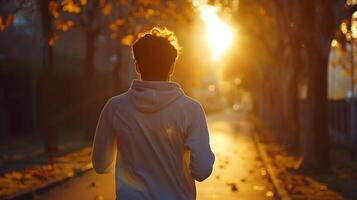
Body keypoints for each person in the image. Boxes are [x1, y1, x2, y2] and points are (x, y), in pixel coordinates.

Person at [91, 27, 215, 200]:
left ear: (137, 66)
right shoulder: (191, 110)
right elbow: (201, 171)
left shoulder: (115, 107)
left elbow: (100, 164)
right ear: (171, 67)